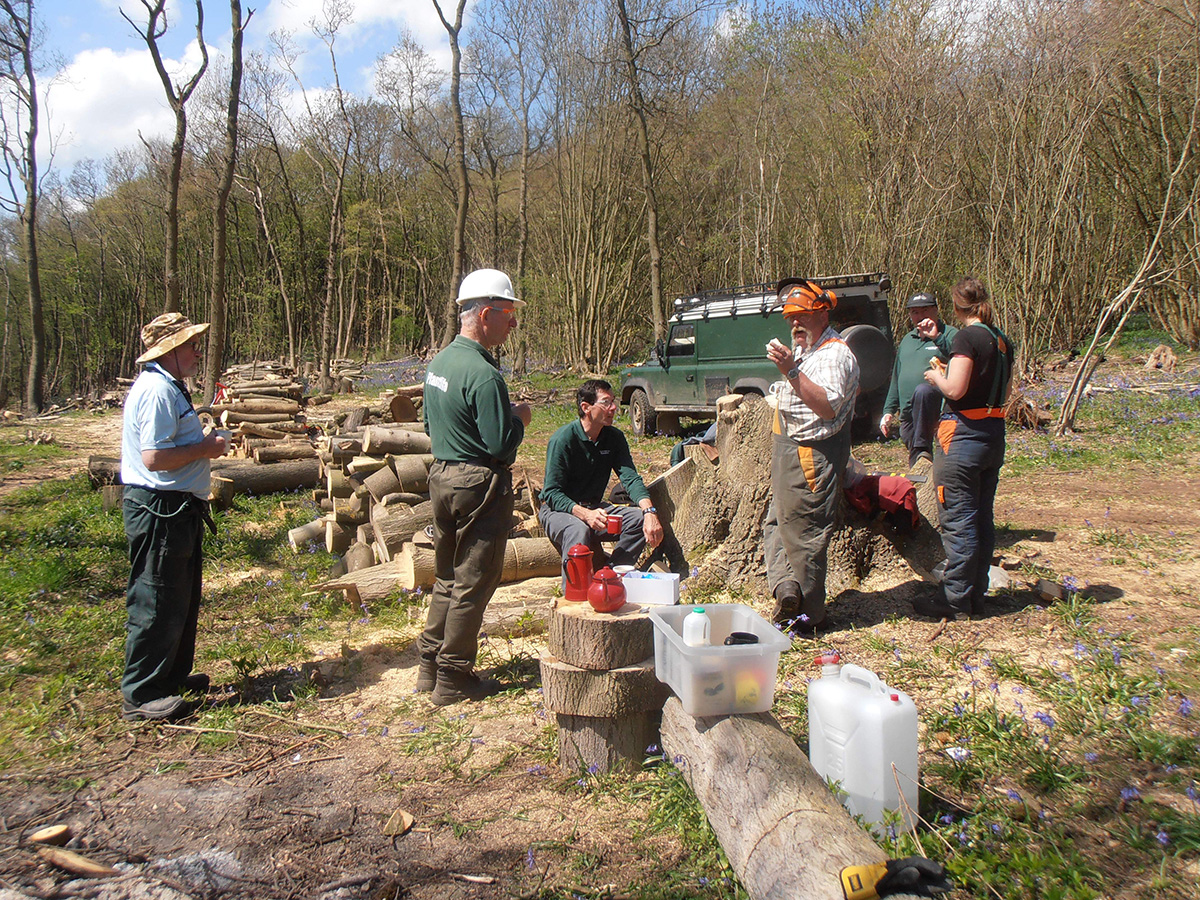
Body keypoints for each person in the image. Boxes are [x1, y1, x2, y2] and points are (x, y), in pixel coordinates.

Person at [419, 268, 532, 706]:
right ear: (485, 314)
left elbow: (430, 423)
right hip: (478, 484)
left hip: (442, 476)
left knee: (446, 575)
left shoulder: (440, 364)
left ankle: (429, 665)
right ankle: (453, 677)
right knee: (474, 579)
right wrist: (518, 418)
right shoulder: (484, 375)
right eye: (508, 313)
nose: (513, 323)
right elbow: (501, 446)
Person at [120, 313, 228, 722]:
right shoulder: (155, 392)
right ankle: (142, 694)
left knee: (179, 596)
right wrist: (207, 449)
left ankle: (170, 677)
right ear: (169, 350)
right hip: (159, 509)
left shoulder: (171, 387)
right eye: (191, 345)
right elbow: (155, 457)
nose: (197, 351)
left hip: (177, 507)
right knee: (155, 598)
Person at [763, 278, 860, 631]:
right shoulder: (809, 348)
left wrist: (790, 370)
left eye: (802, 316)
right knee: (776, 523)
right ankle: (787, 590)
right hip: (790, 450)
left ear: (822, 314)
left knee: (805, 535)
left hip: (811, 456)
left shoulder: (835, 354)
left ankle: (809, 619)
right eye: (790, 318)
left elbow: (828, 408)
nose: (794, 324)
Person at [917, 277, 1014, 620]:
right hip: (993, 431)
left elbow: (955, 390)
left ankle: (955, 599)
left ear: (956, 307)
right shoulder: (1000, 338)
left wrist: (936, 379)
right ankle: (975, 593)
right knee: (981, 517)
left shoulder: (966, 337)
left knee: (959, 520)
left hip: (962, 435)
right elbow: (990, 377)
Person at [539, 379, 664, 579]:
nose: (614, 408)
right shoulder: (563, 440)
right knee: (578, 529)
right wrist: (585, 514)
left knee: (637, 520)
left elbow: (630, 478)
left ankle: (609, 577)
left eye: (613, 401)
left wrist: (649, 512)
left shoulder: (614, 438)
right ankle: (574, 594)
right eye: (606, 402)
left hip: (596, 508)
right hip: (558, 511)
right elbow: (552, 493)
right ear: (586, 407)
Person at [880, 292, 958, 466]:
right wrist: (888, 411)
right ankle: (922, 486)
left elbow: (961, 359)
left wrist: (937, 337)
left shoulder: (950, 334)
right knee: (917, 459)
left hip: (937, 413)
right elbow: (897, 377)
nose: (920, 316)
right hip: (908, 414)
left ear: (936, 311)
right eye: (915, 312)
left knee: (923, 391)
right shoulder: (907, 340)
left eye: (925, 310)